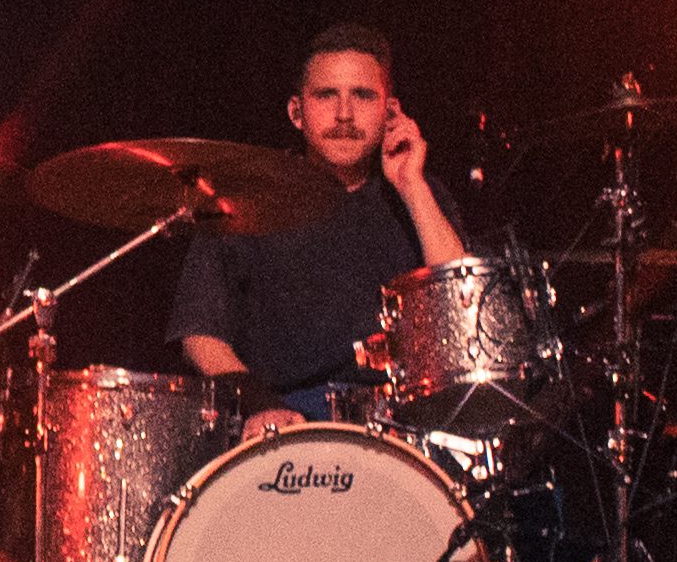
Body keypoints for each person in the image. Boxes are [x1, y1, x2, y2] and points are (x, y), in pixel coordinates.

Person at [169, 23, 466, 424]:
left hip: (409, 421)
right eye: (326, 95)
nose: (344, 115)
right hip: (288, 417)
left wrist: (412, 185)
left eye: (363, 96)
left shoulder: (419, 194)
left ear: (390, 110)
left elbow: (461, 308)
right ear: (297, 113)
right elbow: (199, 334)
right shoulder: (243, 201)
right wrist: (260, 405)